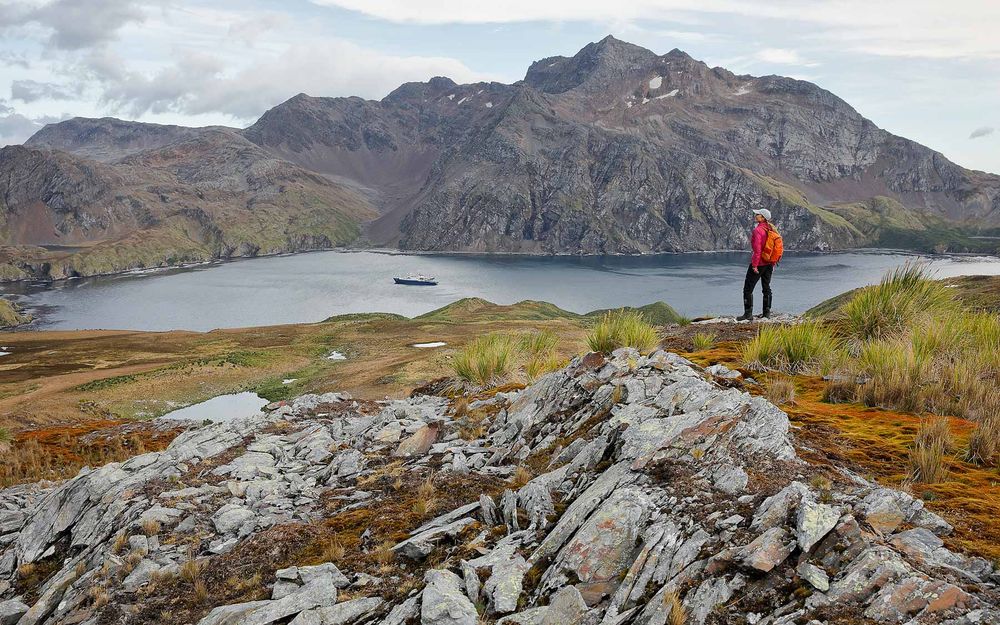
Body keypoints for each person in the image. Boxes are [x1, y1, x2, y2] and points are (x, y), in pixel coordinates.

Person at [737, 208, 775, 321]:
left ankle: (748, 315)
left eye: (758, 214)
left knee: (748, 289)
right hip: (769, 263)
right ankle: (766, 314)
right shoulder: (770, 228)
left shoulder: (758, 230)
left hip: (760, 263)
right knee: (766, 287)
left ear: (762, 217)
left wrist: (754, 265)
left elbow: (757, 250)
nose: (756, 215)